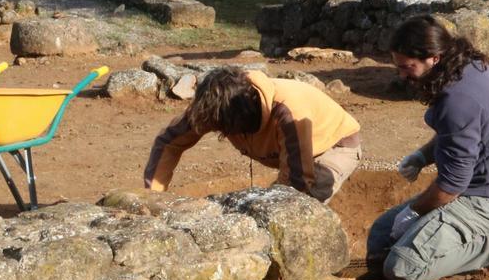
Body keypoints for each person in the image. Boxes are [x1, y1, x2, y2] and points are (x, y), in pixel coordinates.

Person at [367, 14, 489, 280]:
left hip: (487, 201)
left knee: (402, 267)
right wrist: (423, 156)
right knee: (382, 236)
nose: (402, 75)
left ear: (434, 57)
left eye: (408, 67)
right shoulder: (466, 68)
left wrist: (415, 212)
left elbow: (451, 186)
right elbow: (461, 135)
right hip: (472, 190)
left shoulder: (458, 99)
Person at [143, 67, 362, 202]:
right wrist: (154, 198)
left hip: (333, 147)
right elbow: (169, 142)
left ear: (245, 114)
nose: (221, 132)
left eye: (225, 129)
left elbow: (298, 184)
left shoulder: (288, 112)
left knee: (308, 196)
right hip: (289, 152)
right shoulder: (215, 104)